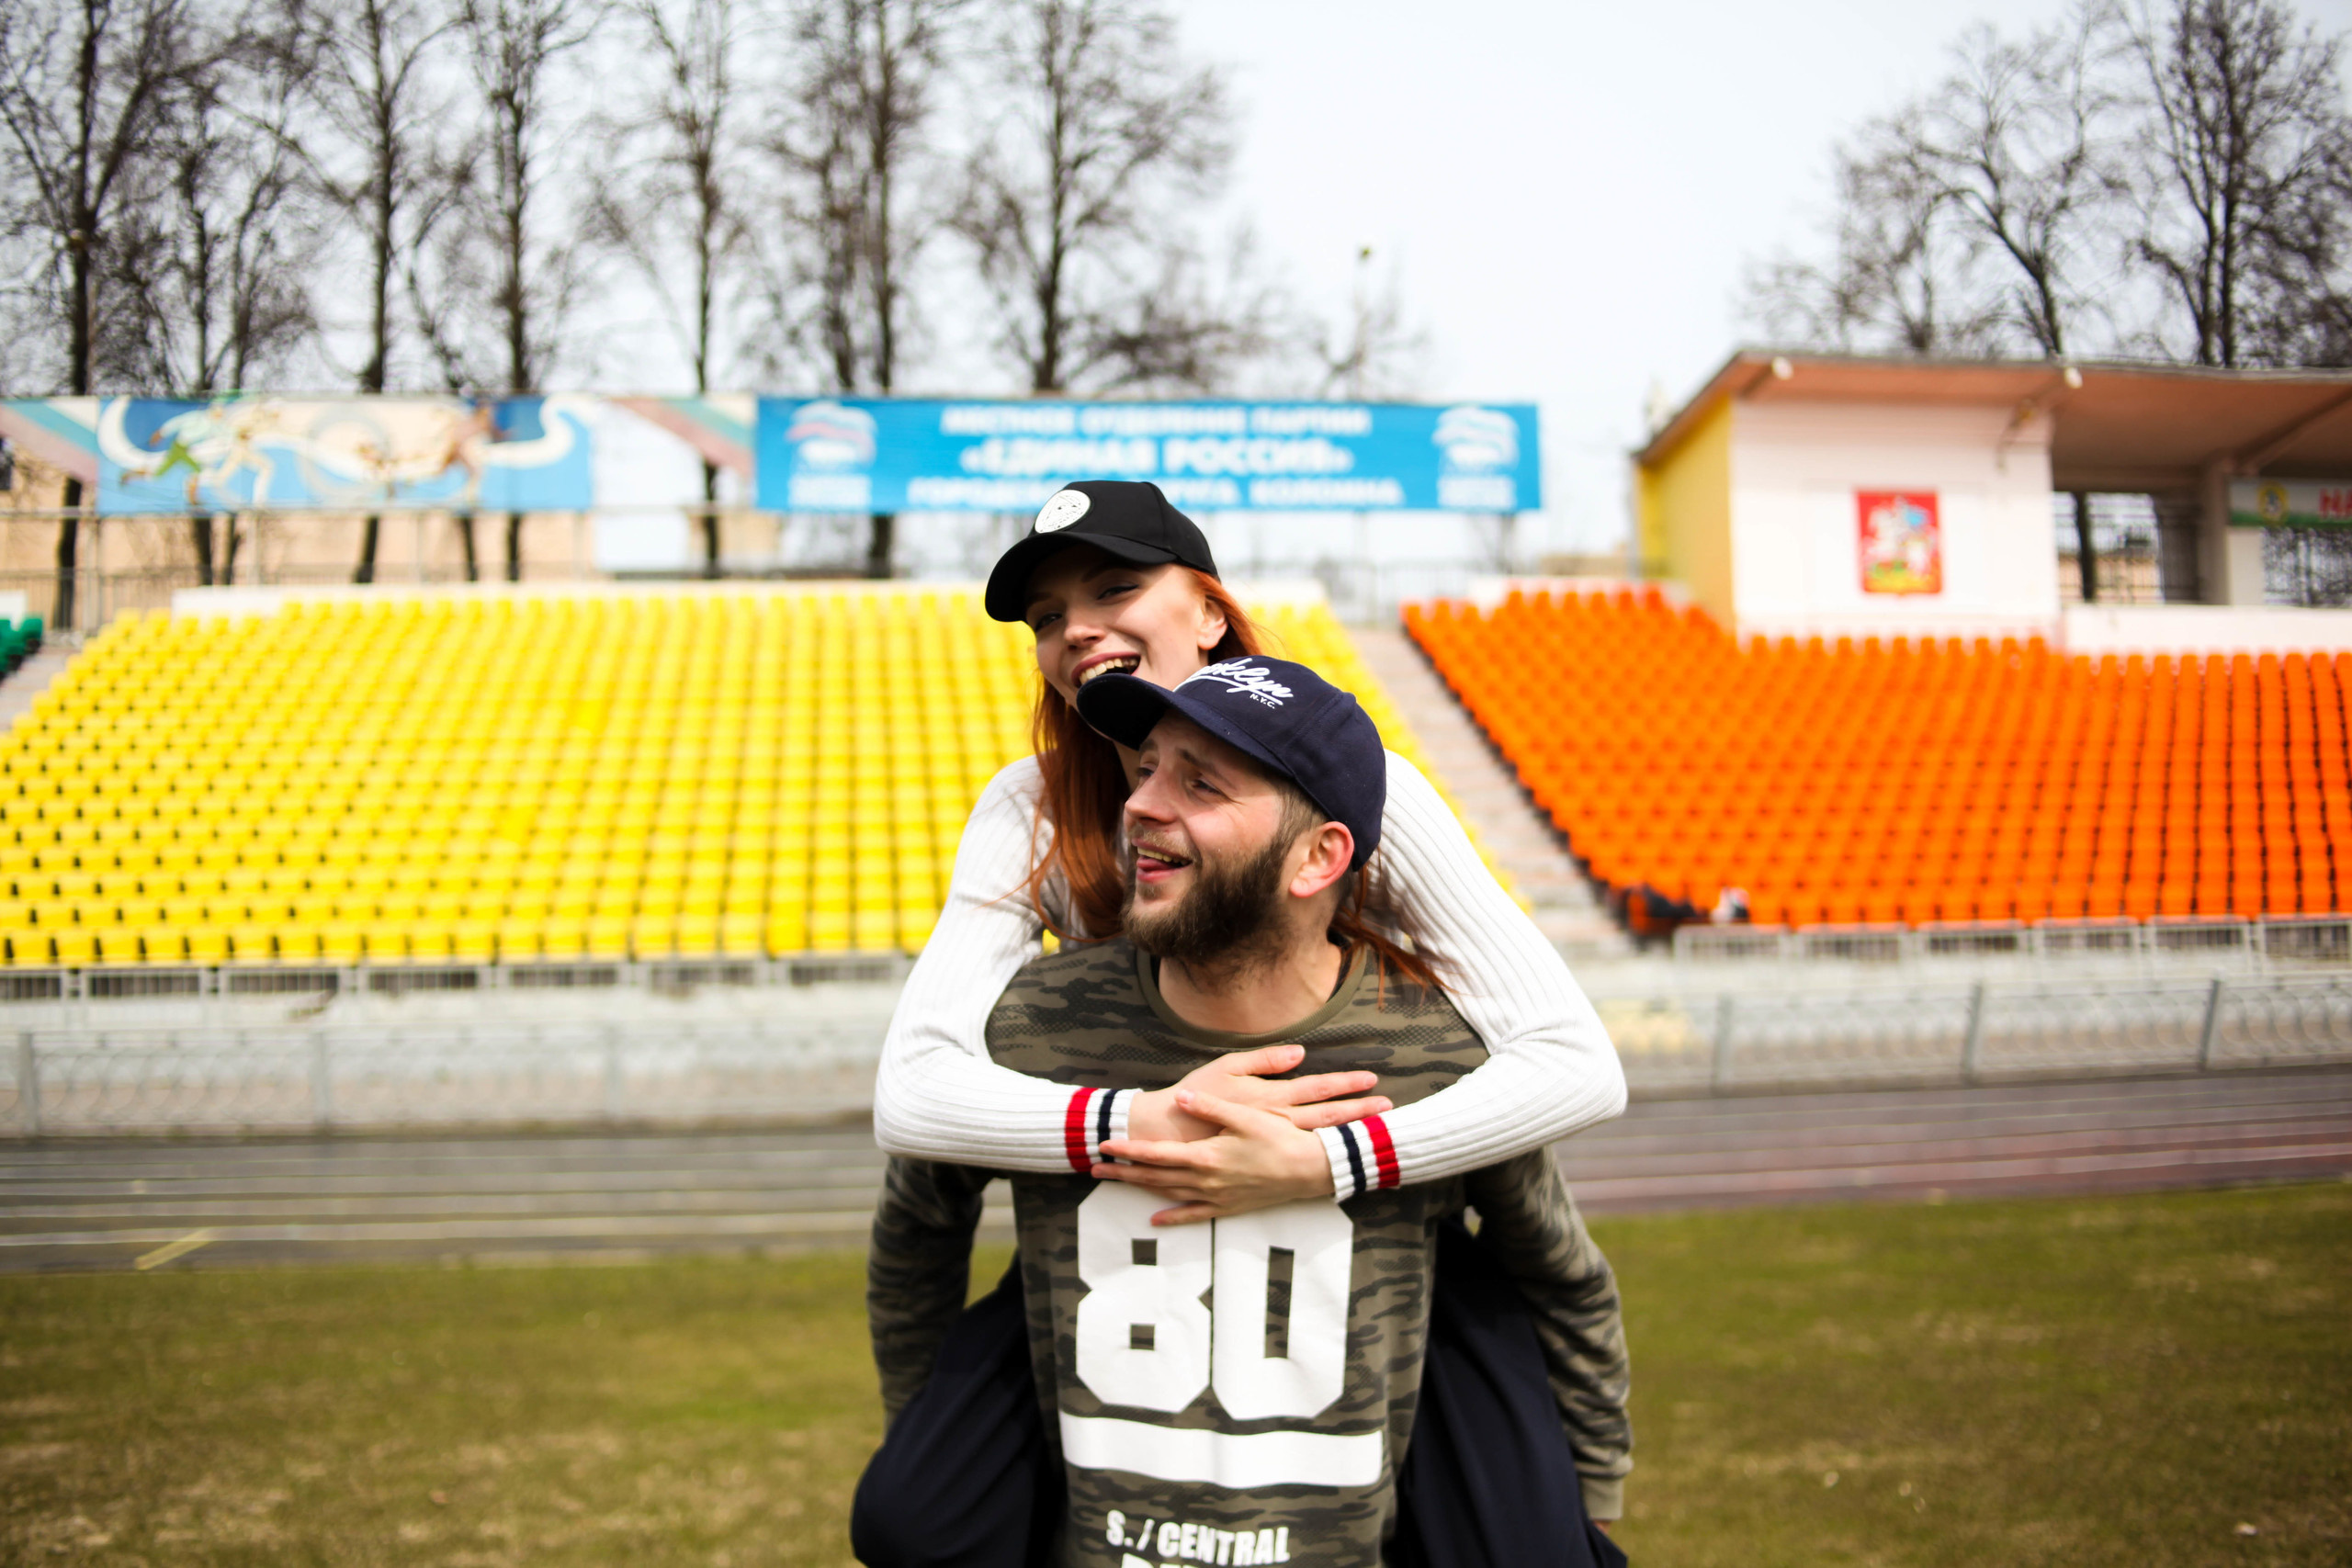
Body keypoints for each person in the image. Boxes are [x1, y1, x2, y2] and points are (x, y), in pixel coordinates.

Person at [858, 658, 1629, 1567]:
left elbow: (1560, 1274)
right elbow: (914, 1237)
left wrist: (1586, 1494)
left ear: (1319, 857)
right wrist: (922, 1442)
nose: (1140, 803)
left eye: (1200, 784)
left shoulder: (1436, 1053)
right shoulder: (1028, 1027)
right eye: (1145, 769)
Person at [874, 479, 1623, 1220]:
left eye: (1114, 589)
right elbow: (913, 1089)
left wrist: (1326, 1163)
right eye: (1047, 617)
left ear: (1207, 612)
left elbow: (1570, 1060)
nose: (1073, 629)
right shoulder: (1026, 803)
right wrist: (1142, 1120)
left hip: (1356, 1240)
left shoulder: (1361, 786)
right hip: (1124, 1241)